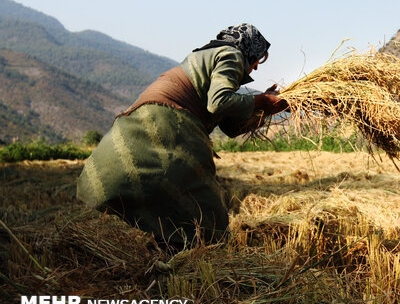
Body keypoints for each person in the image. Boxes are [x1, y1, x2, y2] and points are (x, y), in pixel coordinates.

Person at [76, 24, 287, 247]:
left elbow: (231, 127)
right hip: (167, 120)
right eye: (257, 60)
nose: (254, 69)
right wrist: (261, 101)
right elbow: (219, 103)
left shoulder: (209, 57)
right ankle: (196, 251)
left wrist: (265, 110)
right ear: (249, 49)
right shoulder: (232, 54)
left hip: (147, 115)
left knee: (158, 183)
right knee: (202, 201)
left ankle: (168, 245)